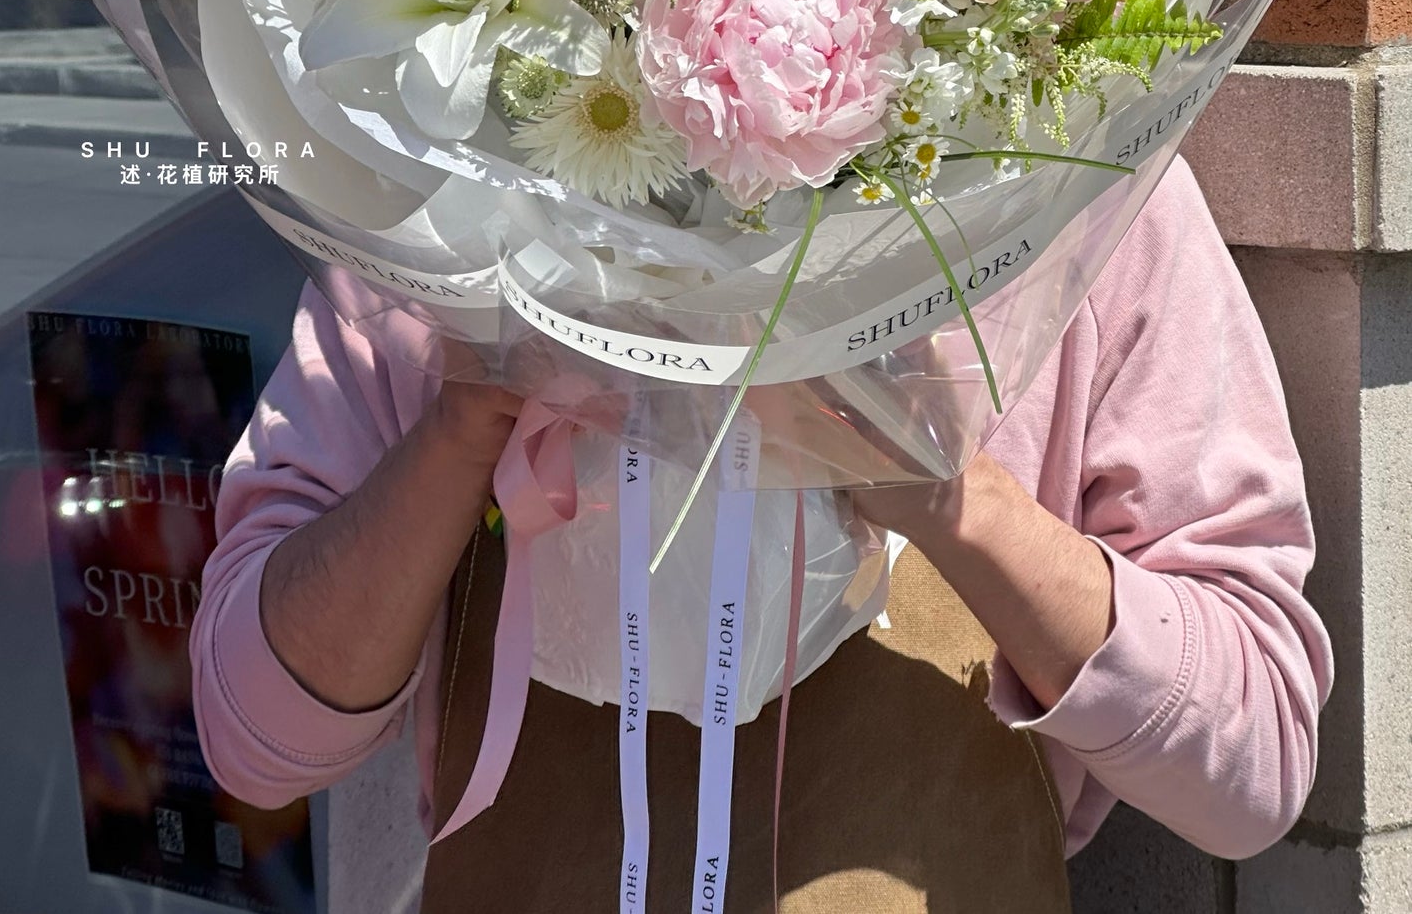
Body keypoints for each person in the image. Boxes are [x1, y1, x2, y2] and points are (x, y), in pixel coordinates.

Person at [190, 156, 1332, 912]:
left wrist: (947, 492)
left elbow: (1251, 769)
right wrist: (465, 416)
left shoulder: (1076, 193)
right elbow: (255, 743)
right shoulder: (452, 210)